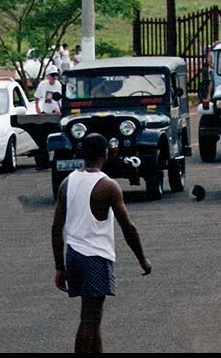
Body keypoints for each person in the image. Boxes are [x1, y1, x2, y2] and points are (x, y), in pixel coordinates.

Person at [51, 133, 152, 353]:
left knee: (94, 318)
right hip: (95, 257)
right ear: (105, 154)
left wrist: (60, 266)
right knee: (89, 318)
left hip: (74, 254)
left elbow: (56, 229)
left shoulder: (68, 182)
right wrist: (143, 260)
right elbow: (128, 228)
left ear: (81, 154)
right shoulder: (108, 185)